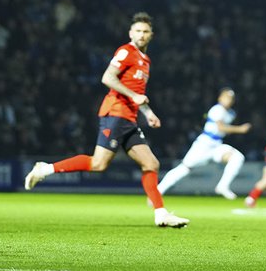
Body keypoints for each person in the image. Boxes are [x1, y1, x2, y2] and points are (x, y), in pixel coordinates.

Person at [23, 12, 189, 228]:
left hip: (129, 118)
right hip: (115, 114)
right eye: (137, 31)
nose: (141, 35)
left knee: (151, 163)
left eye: (145, 31)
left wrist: (147, 112)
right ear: (130, 33)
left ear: (151, 35)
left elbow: (137, 91)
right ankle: (45, 169)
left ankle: (160, 214)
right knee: (98, 163)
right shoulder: (126, 52)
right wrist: (134, 97)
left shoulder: (145, 60)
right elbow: (107, 77)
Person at [156, 88, 252, 199]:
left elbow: (224, 130)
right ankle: (158, 191)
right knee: (185, 168)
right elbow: (220, 127)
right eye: (226, 97)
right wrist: (240, 129)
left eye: (230, 98)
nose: (228, 100)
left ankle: (223, 186)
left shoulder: (231, 114)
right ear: (220, 98)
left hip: (216, 145)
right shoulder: (217, 109)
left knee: (237, 157)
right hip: (204, 144)